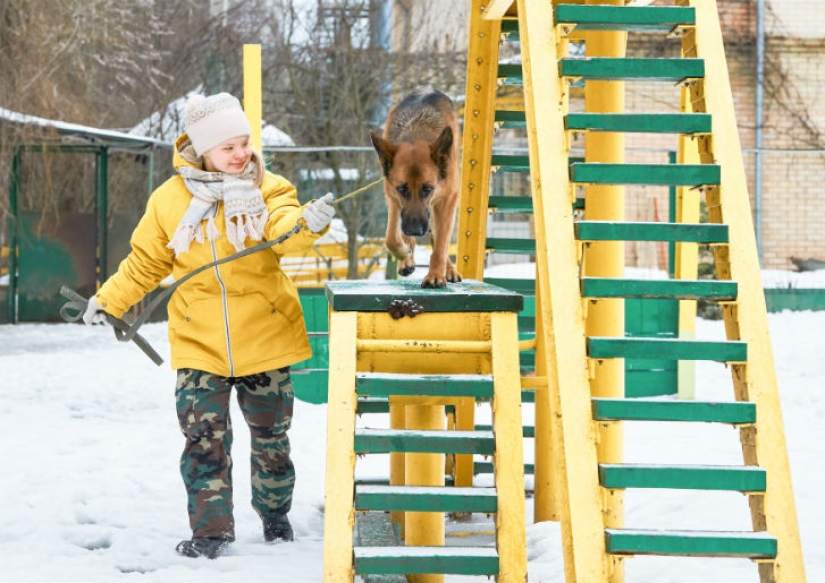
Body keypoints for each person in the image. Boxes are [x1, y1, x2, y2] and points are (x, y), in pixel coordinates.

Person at [82, 92, 336, 559]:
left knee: (271, 438)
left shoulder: (268, 187)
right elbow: (145, 262)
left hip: (266, 334)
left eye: (244, 143)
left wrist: (308, 223)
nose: (242, 154)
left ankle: (275, 513)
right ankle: (211, 532)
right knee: (203, 440)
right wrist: (110, 300)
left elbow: (284, 231)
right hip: (200, 341)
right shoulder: (168, 202)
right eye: (228, 147)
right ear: (200, 151)